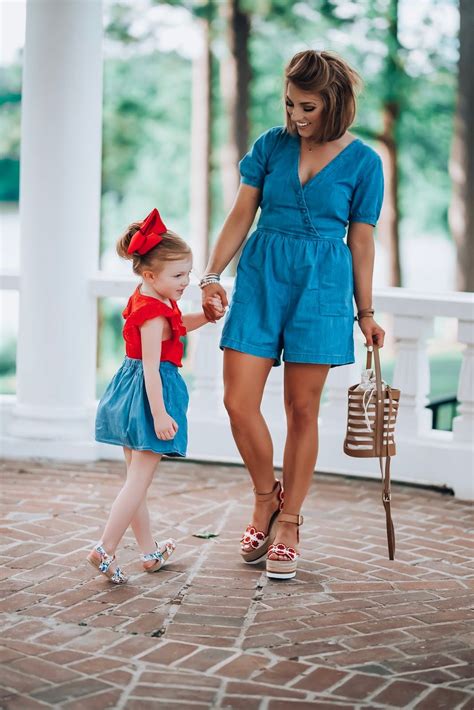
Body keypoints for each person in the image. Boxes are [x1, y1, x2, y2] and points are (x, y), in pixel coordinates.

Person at [201, 50, 385, 580]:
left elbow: (362, 241)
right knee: (238, 402)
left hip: (324, 286)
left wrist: (365, 311)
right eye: (290, 104)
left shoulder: (365, 162)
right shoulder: (270, 146)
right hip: (262, 277)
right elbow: (241, 215)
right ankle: (266, 497)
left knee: (302, 411)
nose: (296, 116)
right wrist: (212, 277)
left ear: (336, 103)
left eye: (307, 106)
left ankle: (291, 521)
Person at [89, 208, 224, 584]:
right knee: (137, 482)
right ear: (150, 274)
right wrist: (161, 414)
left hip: (129, 390)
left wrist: (207, 317)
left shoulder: (152, 299)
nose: (187, 282)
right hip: (149, 394)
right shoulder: (151, 313)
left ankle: (149, 553)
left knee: (137, 483)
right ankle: (105, 549)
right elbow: (151, 366)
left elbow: (176, 328)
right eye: (179, 275)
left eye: (188, 273)